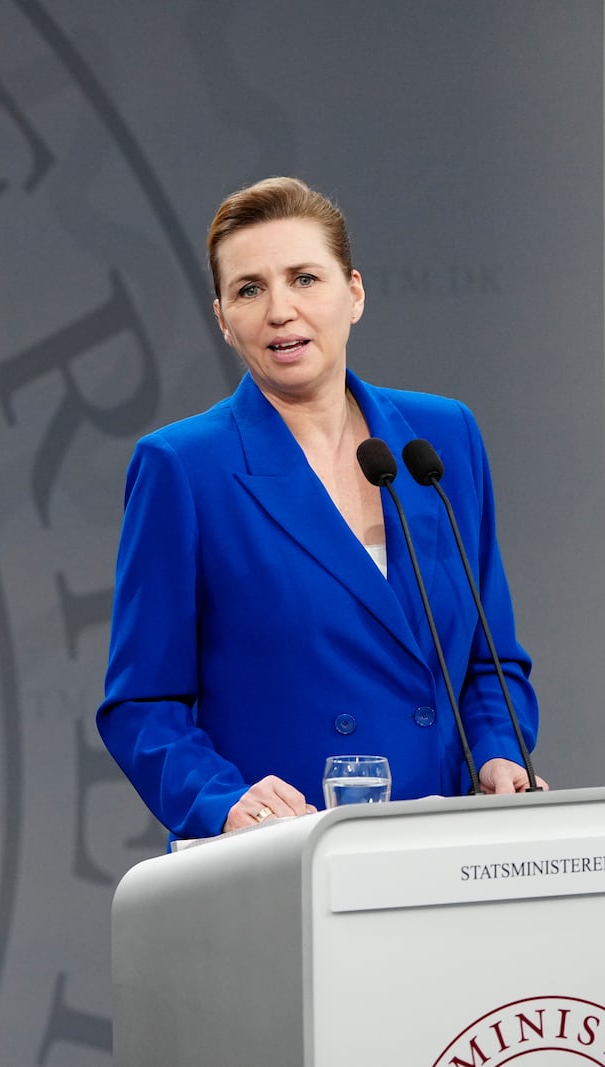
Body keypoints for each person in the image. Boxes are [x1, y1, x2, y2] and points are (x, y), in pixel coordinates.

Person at [97, 176, 543, 842]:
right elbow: (141, 704)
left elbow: (490, 659)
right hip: (283, 858)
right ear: (222, 317)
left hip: (444, 846)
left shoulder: (439, 440)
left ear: (354, 293)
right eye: (249, 289)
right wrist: (223, 799)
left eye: (305, 278)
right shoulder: (184, 468)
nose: (281, 310)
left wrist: (499, 750)